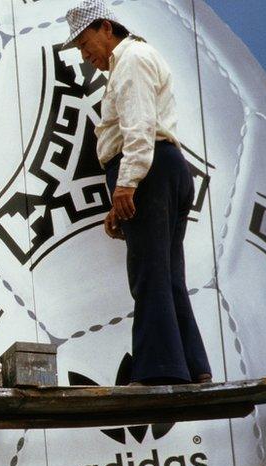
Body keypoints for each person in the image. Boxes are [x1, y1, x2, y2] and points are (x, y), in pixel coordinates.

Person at [64, 0, 212, 385]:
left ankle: (158, 370)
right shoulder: (133, 61)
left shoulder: (131, 60)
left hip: (149, 171)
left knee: (148, 274)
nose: (85, 54)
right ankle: (194, 366)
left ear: (106, 28)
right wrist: (124, 190)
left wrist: (127, 184)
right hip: (162, 170)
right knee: (167, 274)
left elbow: (139, 127)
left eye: (84, 43)